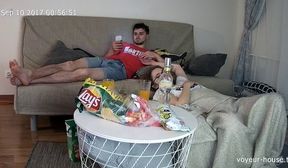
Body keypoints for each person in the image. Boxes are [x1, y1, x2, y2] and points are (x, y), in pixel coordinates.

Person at [146, 62, 287, 168]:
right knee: (231, 123)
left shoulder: (181, 80)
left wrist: (156, 63)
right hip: (214, 110)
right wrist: (187, 86)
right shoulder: (162, 92)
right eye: (158, 77)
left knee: (275, 100)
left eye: (164, 73)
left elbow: (175, 66)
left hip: (232, 101)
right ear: (154, 85)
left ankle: (264, 160)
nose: (163, 76)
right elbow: (180, 104)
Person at [9, 23, 164, 86]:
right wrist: (112, 49)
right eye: (135, 33)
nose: (137, 36)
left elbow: (166, 66)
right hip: (105, 61)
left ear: (146, 35)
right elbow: (107, 56)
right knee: (69, 64)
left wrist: (153, 63)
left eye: (141, 34)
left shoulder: (151, 53)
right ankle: (30, 74)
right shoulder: (125, 45)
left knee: (81, 73)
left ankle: (31, 80)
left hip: (120, 70)